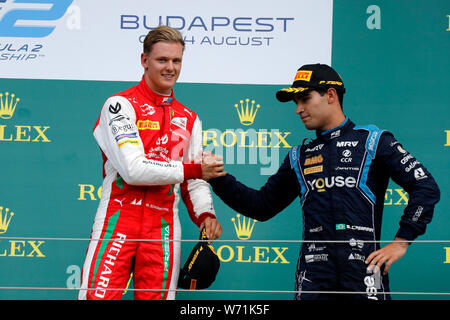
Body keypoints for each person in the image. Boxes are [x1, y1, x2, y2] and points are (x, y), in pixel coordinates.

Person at [202, 63, 440, 300]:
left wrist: (402, 241)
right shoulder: (299, 155)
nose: (298, 109)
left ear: (331, 95)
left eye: (305, 99)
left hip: (365, 274)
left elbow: (425, 186)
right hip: (314, 279)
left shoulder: (374, 141)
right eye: (296, 103)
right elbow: (260, 206)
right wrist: (218, 178)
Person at [78, 25, 222, 300]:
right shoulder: (119, 105)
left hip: (164, 227)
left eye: (176, 60)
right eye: (162, 60)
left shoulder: (190, 118)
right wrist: (194, 169)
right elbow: (133, 169)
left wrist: (205, 214)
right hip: (117, 220)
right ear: (144, 61)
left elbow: (194, 180)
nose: (170, 67)